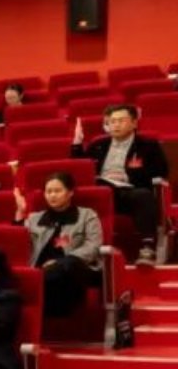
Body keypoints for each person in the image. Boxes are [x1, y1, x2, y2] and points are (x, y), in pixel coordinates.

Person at [73, 104, 168, 266]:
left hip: (129, 193)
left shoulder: (148, 146)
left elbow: (160, 172)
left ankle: (148, 247)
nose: (116, 125)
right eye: (112, 121)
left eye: (121, 121)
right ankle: (80, 252)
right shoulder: (97, 145)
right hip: (101, 192)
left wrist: (126, 176)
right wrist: (77, 144)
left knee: (143, 195)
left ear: (134, 123)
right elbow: (79, 170)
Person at [16, 171, 104, 318]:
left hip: (77, 268)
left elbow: (93, 246)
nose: (52, 195)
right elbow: (19, 243)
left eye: (57, 191)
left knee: (69, 264)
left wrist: (59, 262)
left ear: (70, 192)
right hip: (45, 272)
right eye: (48, 191)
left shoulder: (87, 215)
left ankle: (29, 290)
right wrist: (20, 212)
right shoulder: (34, 218)